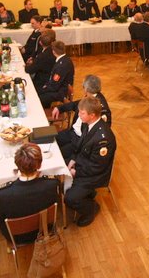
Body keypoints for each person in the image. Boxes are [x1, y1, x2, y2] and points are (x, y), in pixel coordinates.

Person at [65, 97, 116, 227]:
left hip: (94, 174)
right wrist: (73, 159)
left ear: (92, 115)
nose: (79, 115)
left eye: (82, 113)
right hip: (83, 163)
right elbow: (80, 145)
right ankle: (87, 193)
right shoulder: (87, 124)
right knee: (60, 164)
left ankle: (91, 209)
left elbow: (96, 167)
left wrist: (76, 172)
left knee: (69, 199)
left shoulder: (103, 139)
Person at [0, 143, 59, 243]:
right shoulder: (52, 184)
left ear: (17, 165)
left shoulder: (3, 193)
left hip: (17, 238)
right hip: (45, 230)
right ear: (39, 165)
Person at [52, 75, 112, 159]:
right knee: (52, 141)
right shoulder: (90, 97)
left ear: (86, 89)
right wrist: (59, 108)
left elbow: (99, 131)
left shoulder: (100, 107)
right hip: (72, 132)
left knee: (57, 155)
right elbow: (75, 104)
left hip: (80, 140)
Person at [38, 40, 75, 108]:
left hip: (60, 92)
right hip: (59, 87)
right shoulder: (65, 59)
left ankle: (45, 111)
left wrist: (42, 90)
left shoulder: (61, 66)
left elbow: (54, 86)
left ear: (54, 51)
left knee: (39, 97)